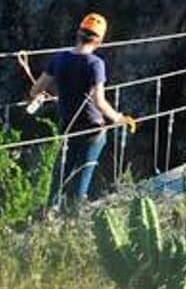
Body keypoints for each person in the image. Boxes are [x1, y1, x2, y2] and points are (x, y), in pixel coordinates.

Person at [26, 12, 134, 207]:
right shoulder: (95, 64)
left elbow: (35, 90)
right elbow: (99, 102)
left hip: (68, 127)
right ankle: (72, 217)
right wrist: (119, 118)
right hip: (92, 129)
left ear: (78, 33)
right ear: (99, 40)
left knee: (61, 174)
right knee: (82, 178)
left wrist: (42, 95)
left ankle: (49, 213)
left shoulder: (59, 59)